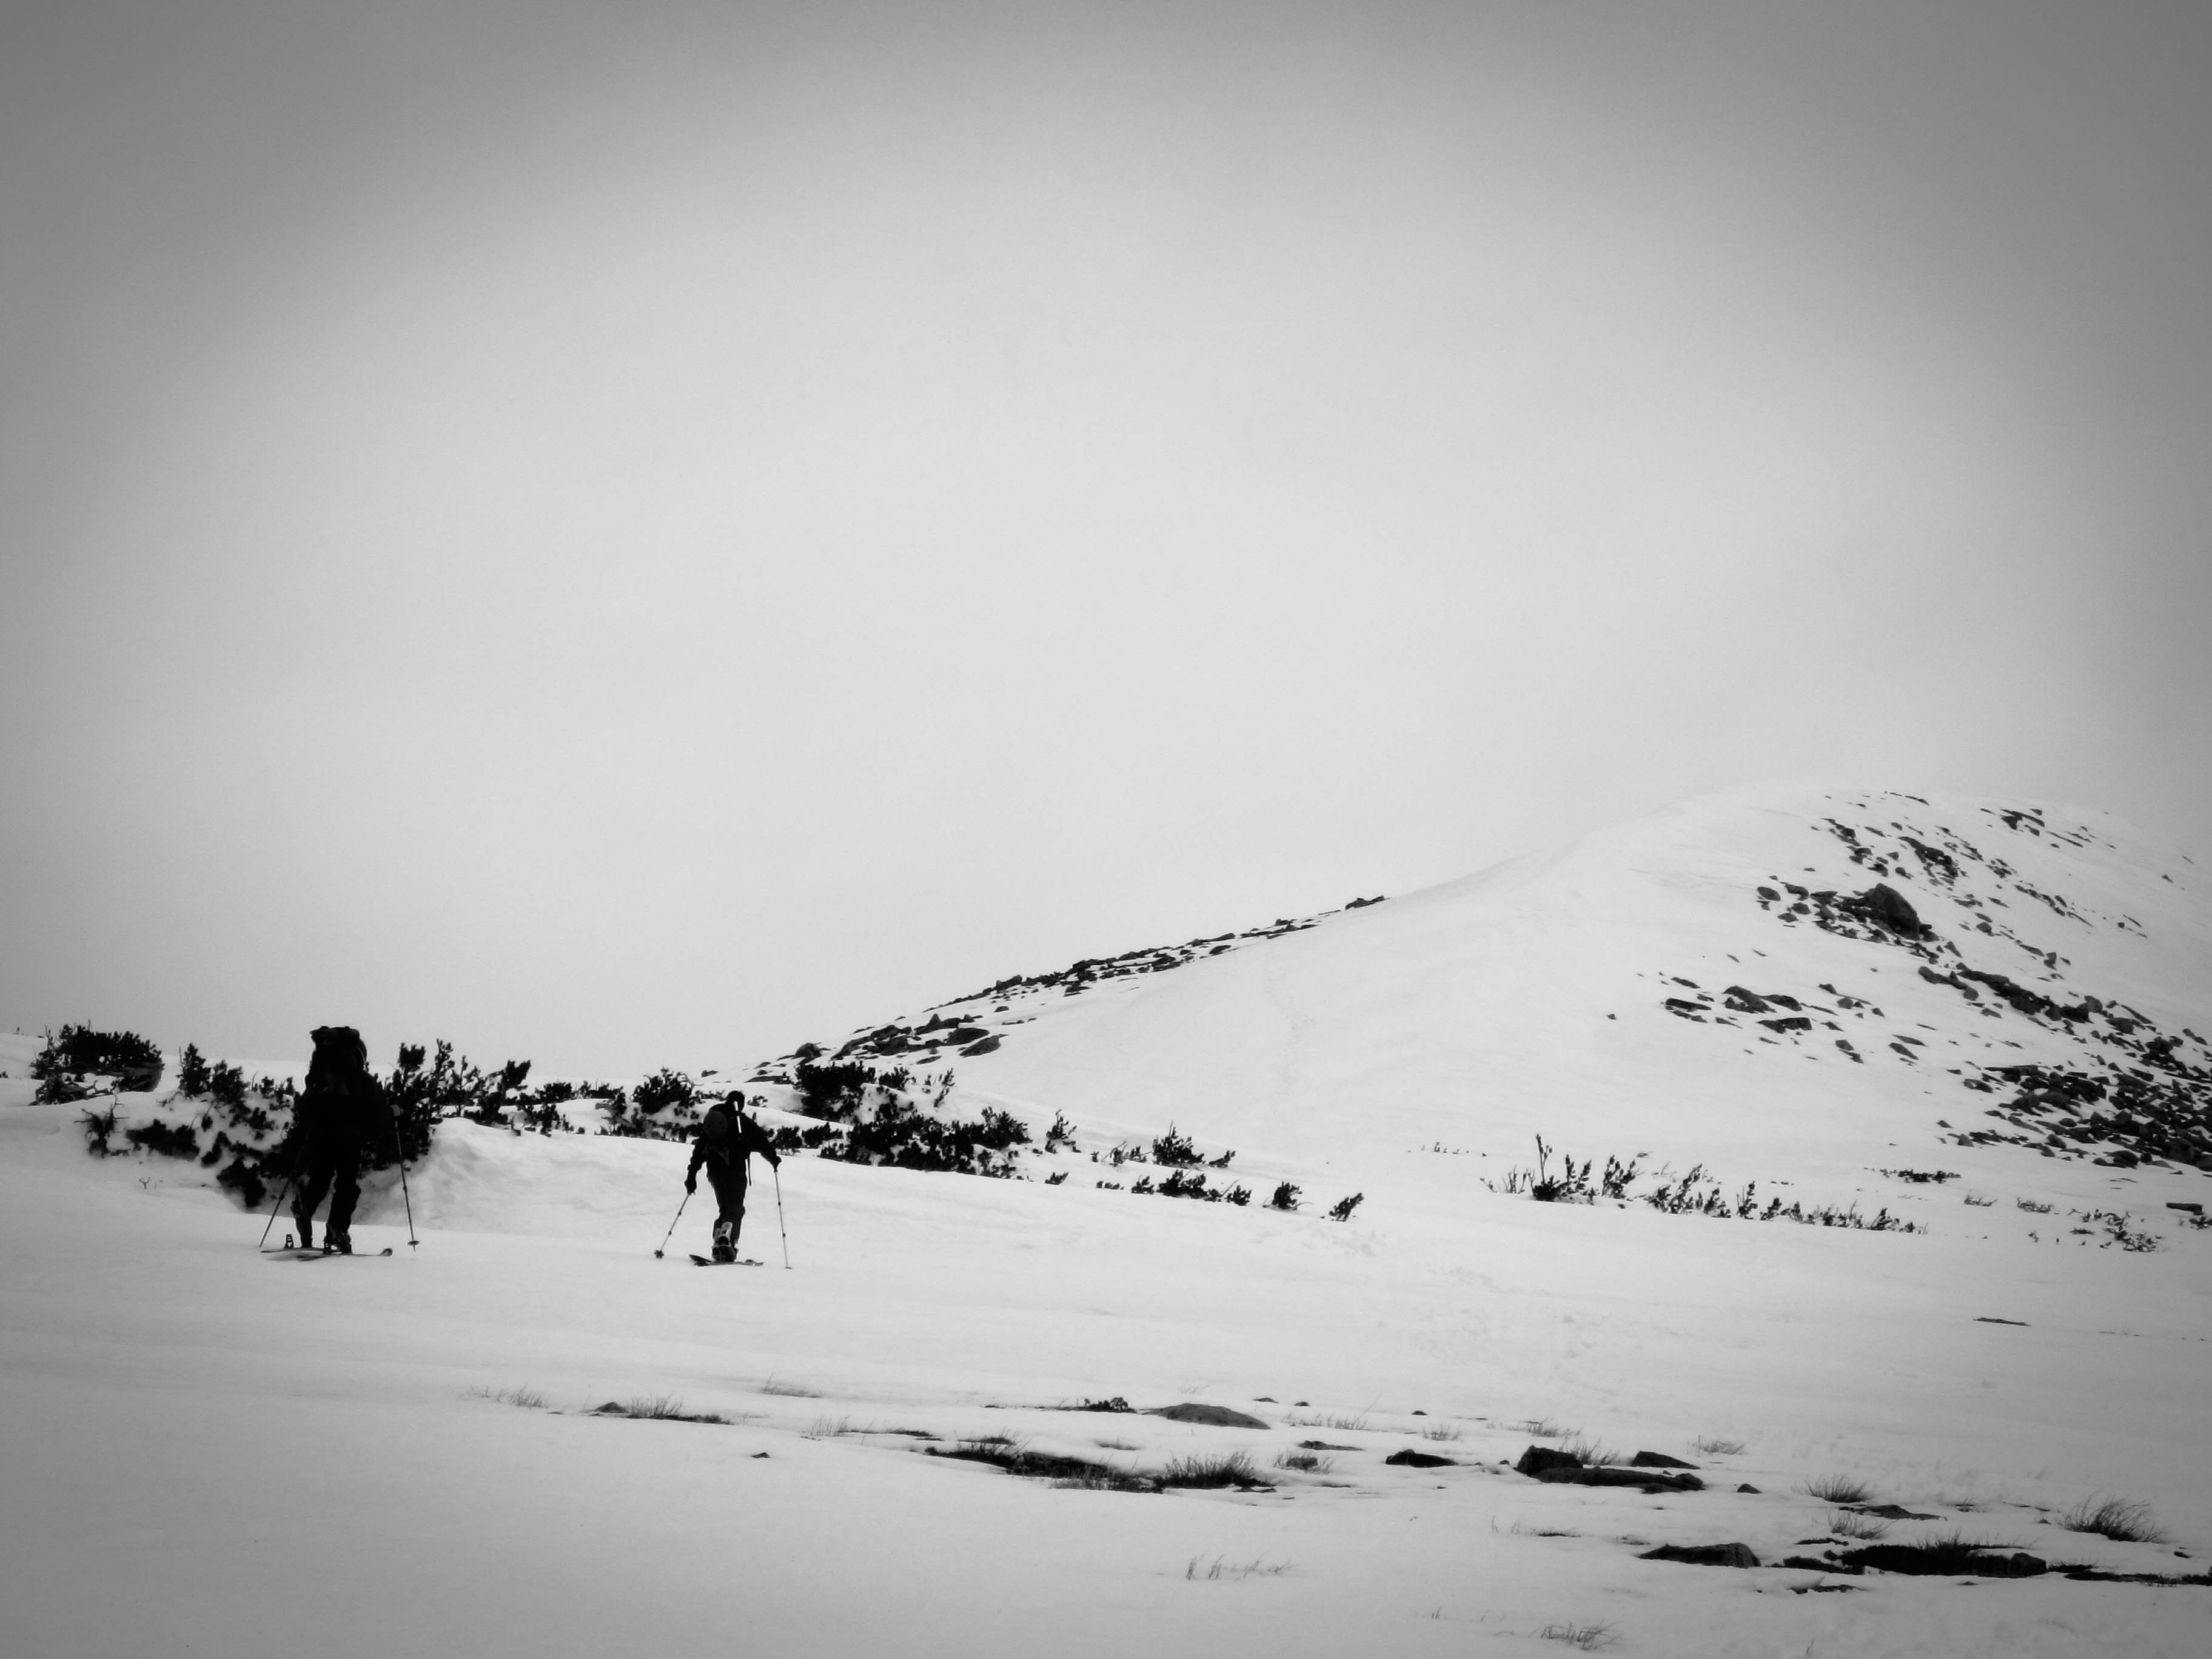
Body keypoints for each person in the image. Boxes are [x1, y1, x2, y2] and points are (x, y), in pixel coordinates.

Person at [290, 1025, 393, 1254]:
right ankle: (337, 1229)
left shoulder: (319, 1078)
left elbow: (306, 1106)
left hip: (319, 1134)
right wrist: (390, 1116)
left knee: (320, 1178)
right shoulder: (360, 1079)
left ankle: (304, 1206)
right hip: (348, 1138)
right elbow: (380, 1114)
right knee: (346, 1185)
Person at [686, 1094, 780, 1262]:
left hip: (715, 1173)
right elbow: (761, 1141)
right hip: (735, 1171)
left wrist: (691, 1177)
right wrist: (773, 1159)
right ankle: (728, 1239)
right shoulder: (741, 1122)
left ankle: (718, 1244)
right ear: (741, 1104)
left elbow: (699, 1151)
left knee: (724, 1209)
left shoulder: (713, 1120)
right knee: (736, 1209)